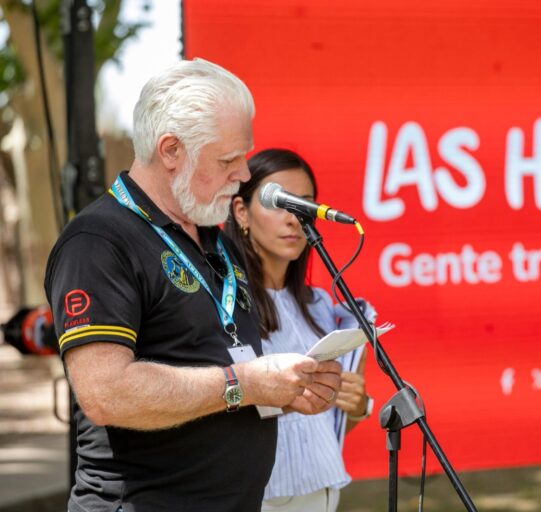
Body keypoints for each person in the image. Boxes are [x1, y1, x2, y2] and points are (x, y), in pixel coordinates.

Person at [44, 59, 342, 512]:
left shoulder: (215, 239)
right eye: (227, 160)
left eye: (244, 156)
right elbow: (106, 393)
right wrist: (245, 384)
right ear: (170, 151)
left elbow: (212, 372)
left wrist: (284, 391)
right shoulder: (97, 242)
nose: (243, 175)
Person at [225, 149, 376, 512]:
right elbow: (218, 405)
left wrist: (355, 406)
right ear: (241, 212)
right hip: (258, 497)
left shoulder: (321, 305)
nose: (293, 218)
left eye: (304, 204)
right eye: (278, 202)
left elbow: (324, 424)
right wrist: (284, 398)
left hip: (324, 494)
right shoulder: (223, 304)